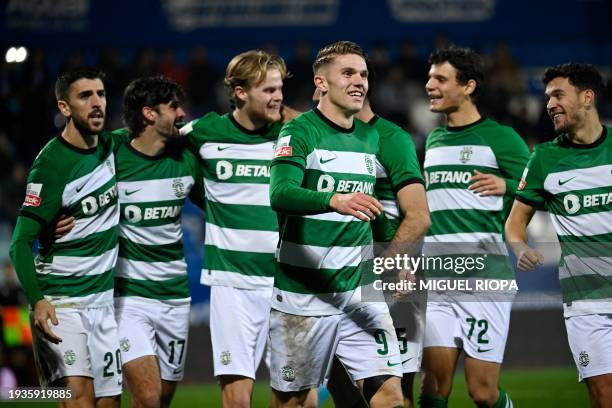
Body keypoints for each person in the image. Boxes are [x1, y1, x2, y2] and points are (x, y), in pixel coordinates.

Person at [268, 40, 404, 408]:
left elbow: (372, 212)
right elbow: (280, 193)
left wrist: (395, 261)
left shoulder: (370, 139)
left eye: (362, 74)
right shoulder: (299, 133)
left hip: (361, 292)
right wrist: (332, 199)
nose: (359, 81)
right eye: (348, 73)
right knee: (293, 402)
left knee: (390, 397)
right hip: (303, 296)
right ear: (321, 82)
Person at [179, 50, 311, 407]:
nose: (278, 96)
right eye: (268, 90)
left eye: (280, 88)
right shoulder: (202, 133)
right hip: (233, 284)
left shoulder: (295, 133)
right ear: (239, 92)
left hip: (290, 281)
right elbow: (149, 147)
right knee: (237, 399)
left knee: (301, 399)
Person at [419, 47, 529, 408]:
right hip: (439, 278)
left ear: (468, 86)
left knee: (482, 393)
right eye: (429, 77)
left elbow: (544, 189)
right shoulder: (433, 141)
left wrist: (507, 186)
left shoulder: (501, 139)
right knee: (433, 387)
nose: (429, 85)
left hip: (484, 278)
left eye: (440, 79)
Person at [9, 67, 122, 407]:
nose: (96, 102)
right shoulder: (50, 167)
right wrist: (37, 299)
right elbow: (18, 244)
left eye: (100, 94)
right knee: (78, 399)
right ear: (65, 108)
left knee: (109, 403)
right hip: (61, 303)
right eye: (85, 96)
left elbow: (153, 134)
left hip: (102, 305)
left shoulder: (110, 146)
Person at [505, 63, 612, 407]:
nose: (549, 104)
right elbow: (514, 224)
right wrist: (520, 247)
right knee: (603, 394)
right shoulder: (545, 158)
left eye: (558, 95)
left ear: (587, 98)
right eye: (547, 96)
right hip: (585, 301)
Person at [323, 68, 431, 408]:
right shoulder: (327, 138)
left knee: (397, 394)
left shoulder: (390, 138)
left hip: (389, 276)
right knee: (344, 393)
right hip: (341, 279)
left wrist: (388, 265)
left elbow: (418, 217)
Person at [112, 75, 204, 407]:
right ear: (149, 114)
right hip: (129, 299)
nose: (182, 113)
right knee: (148, 397)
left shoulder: (188, 158)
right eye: (174, 106)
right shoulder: (111, 155)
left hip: (176, 298)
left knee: (162, 399)